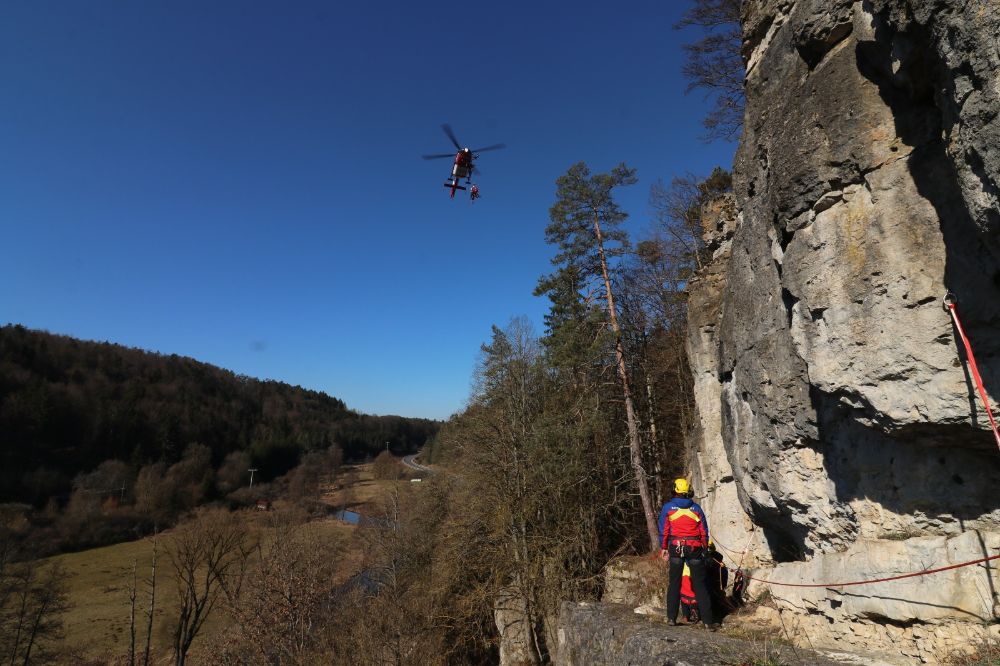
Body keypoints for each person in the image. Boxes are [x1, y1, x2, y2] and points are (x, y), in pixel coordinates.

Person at [659, 478, 719, 630]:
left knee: (674, 583)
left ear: (675, 490)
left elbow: (664, 530)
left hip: (675, 547)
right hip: (694, 548)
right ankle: (708, 621)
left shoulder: (668, 508)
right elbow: (703, 531)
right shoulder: (696, 509)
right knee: (700, 584)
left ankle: (671, 618)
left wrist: (664, 547)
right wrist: (705, 548)